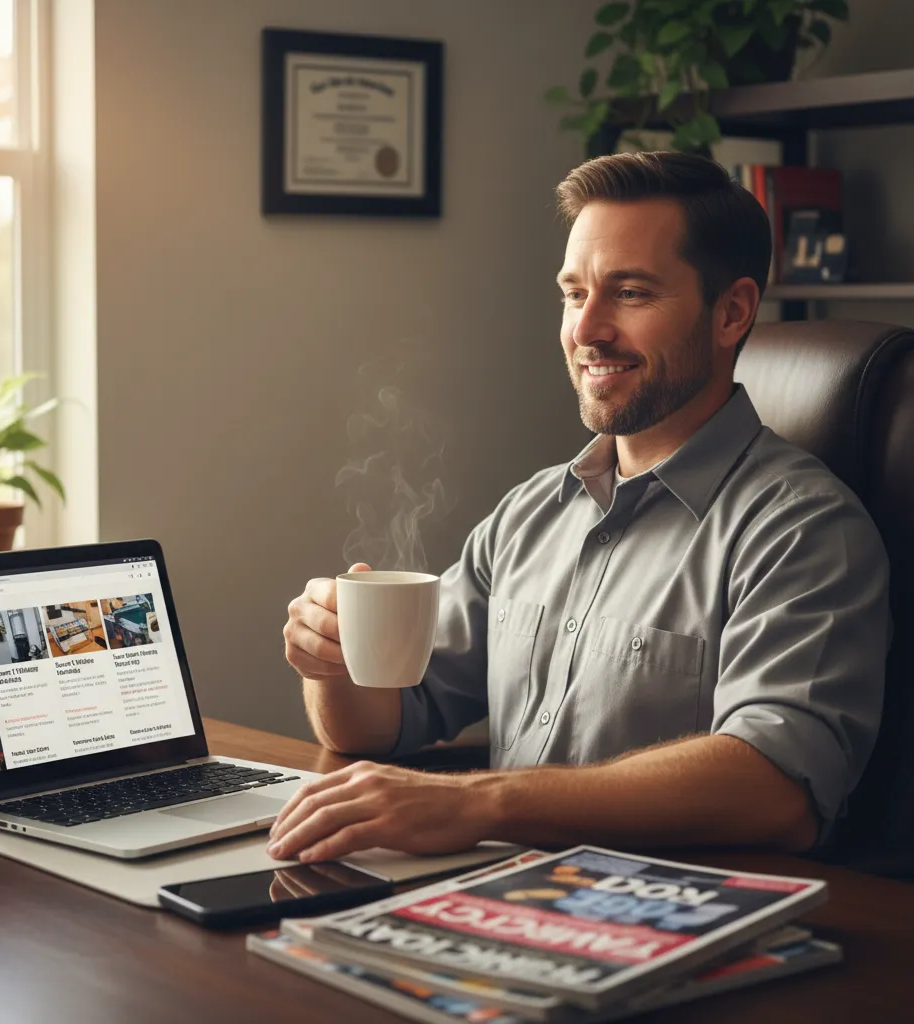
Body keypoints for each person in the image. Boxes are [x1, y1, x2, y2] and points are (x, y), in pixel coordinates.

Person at [273, 151, 890, 866]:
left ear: (732, 312)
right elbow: (386, 725)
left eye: (629, 293)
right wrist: (332, 664)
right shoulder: (528, 514)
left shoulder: (803, 530)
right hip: (498, 899)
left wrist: (482, 803)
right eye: (574, 294)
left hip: (668, 926)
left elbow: (778, 787)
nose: (586, 330)